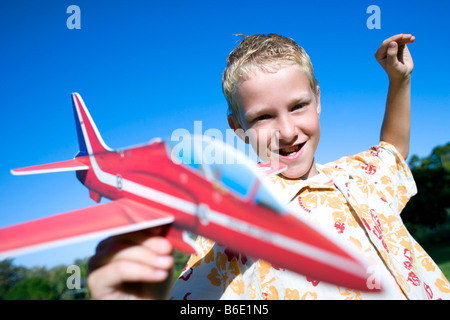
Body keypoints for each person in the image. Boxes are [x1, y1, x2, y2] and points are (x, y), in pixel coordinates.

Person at [87, 33, 450, 300]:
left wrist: (399, 80)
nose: (288, 131)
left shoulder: (358, 175)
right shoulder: (232, 207)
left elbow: (393, 150)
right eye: (262, 117)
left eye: (298, 106)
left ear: (318, 99)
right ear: (238, 129)